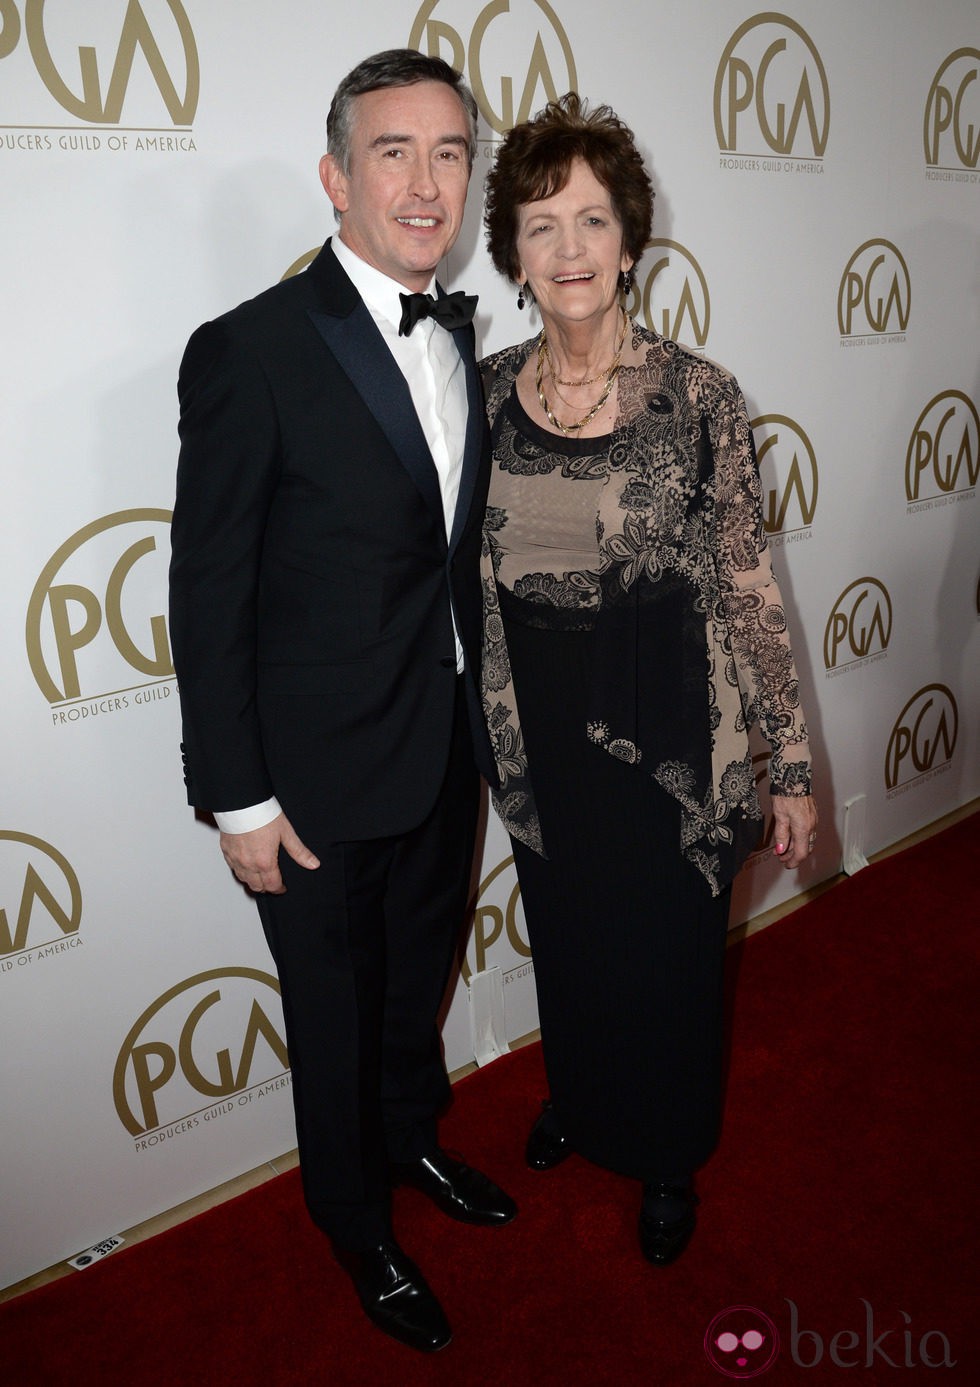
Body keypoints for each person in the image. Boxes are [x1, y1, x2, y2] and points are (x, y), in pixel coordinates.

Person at [169, 49, 516, 1354]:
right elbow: (209, 592)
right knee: (330, 1006)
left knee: (410, 982)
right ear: (337, 176)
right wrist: (238, 795)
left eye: (449, 153)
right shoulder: (250, 350)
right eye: (393, 151)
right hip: (307, 783)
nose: (426, 182)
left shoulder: (466, 335)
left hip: (441, 751)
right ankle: (353, 1219)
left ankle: (414, 1142)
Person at [479, 93, 818, 1266]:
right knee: (567, 938)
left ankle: (666, 1148)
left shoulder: (698, 396)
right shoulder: (482, 394)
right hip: (537, 726)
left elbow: (745, 583)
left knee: (667, 959)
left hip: (671, 731)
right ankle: (580, 1097)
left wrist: (790, 761)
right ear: (512, 256)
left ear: (629, 236)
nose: (567, 248)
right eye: (538, 225)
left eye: (588, 219)